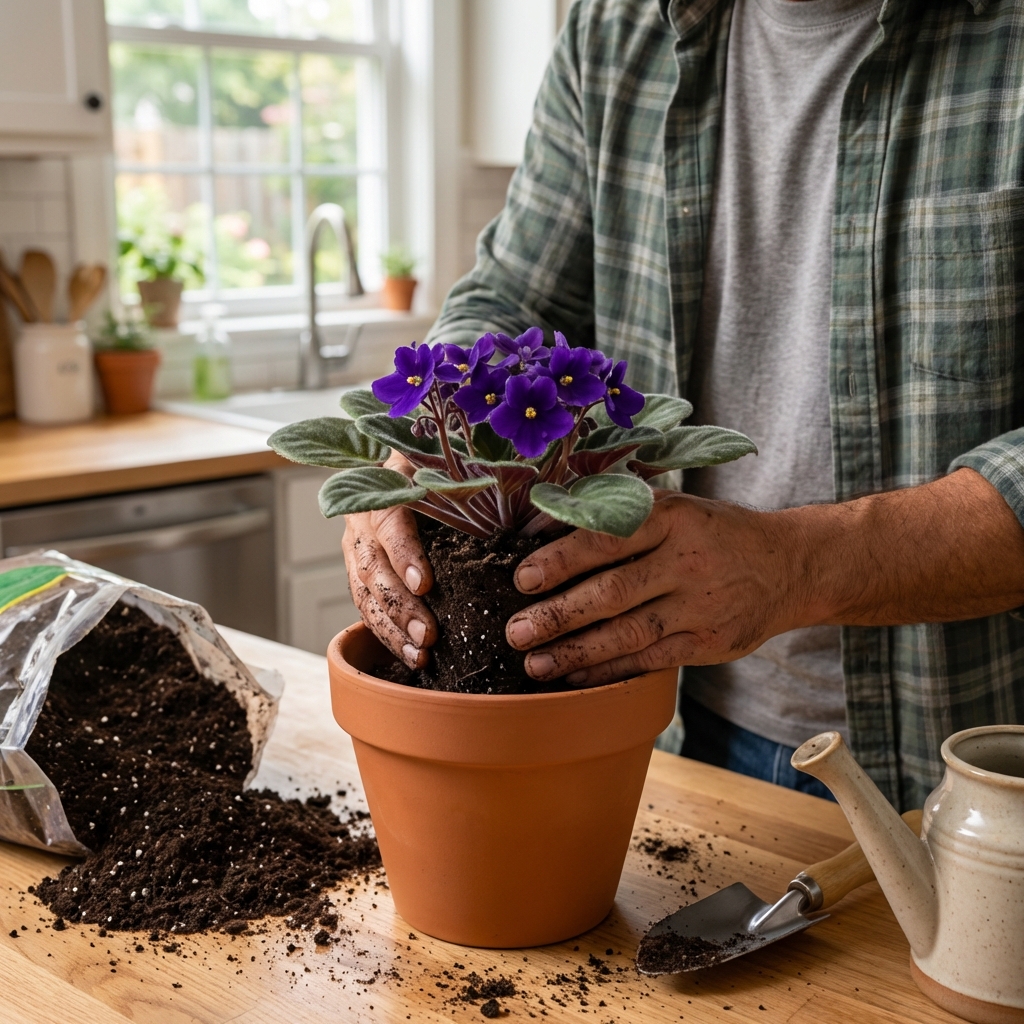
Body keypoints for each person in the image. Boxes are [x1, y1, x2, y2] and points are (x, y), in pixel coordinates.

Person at [343, 0, 1024, 811]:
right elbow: (512, 295)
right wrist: (416, 457)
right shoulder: (615, 31)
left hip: (975, 773)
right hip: (661, 734)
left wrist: (793, 566)